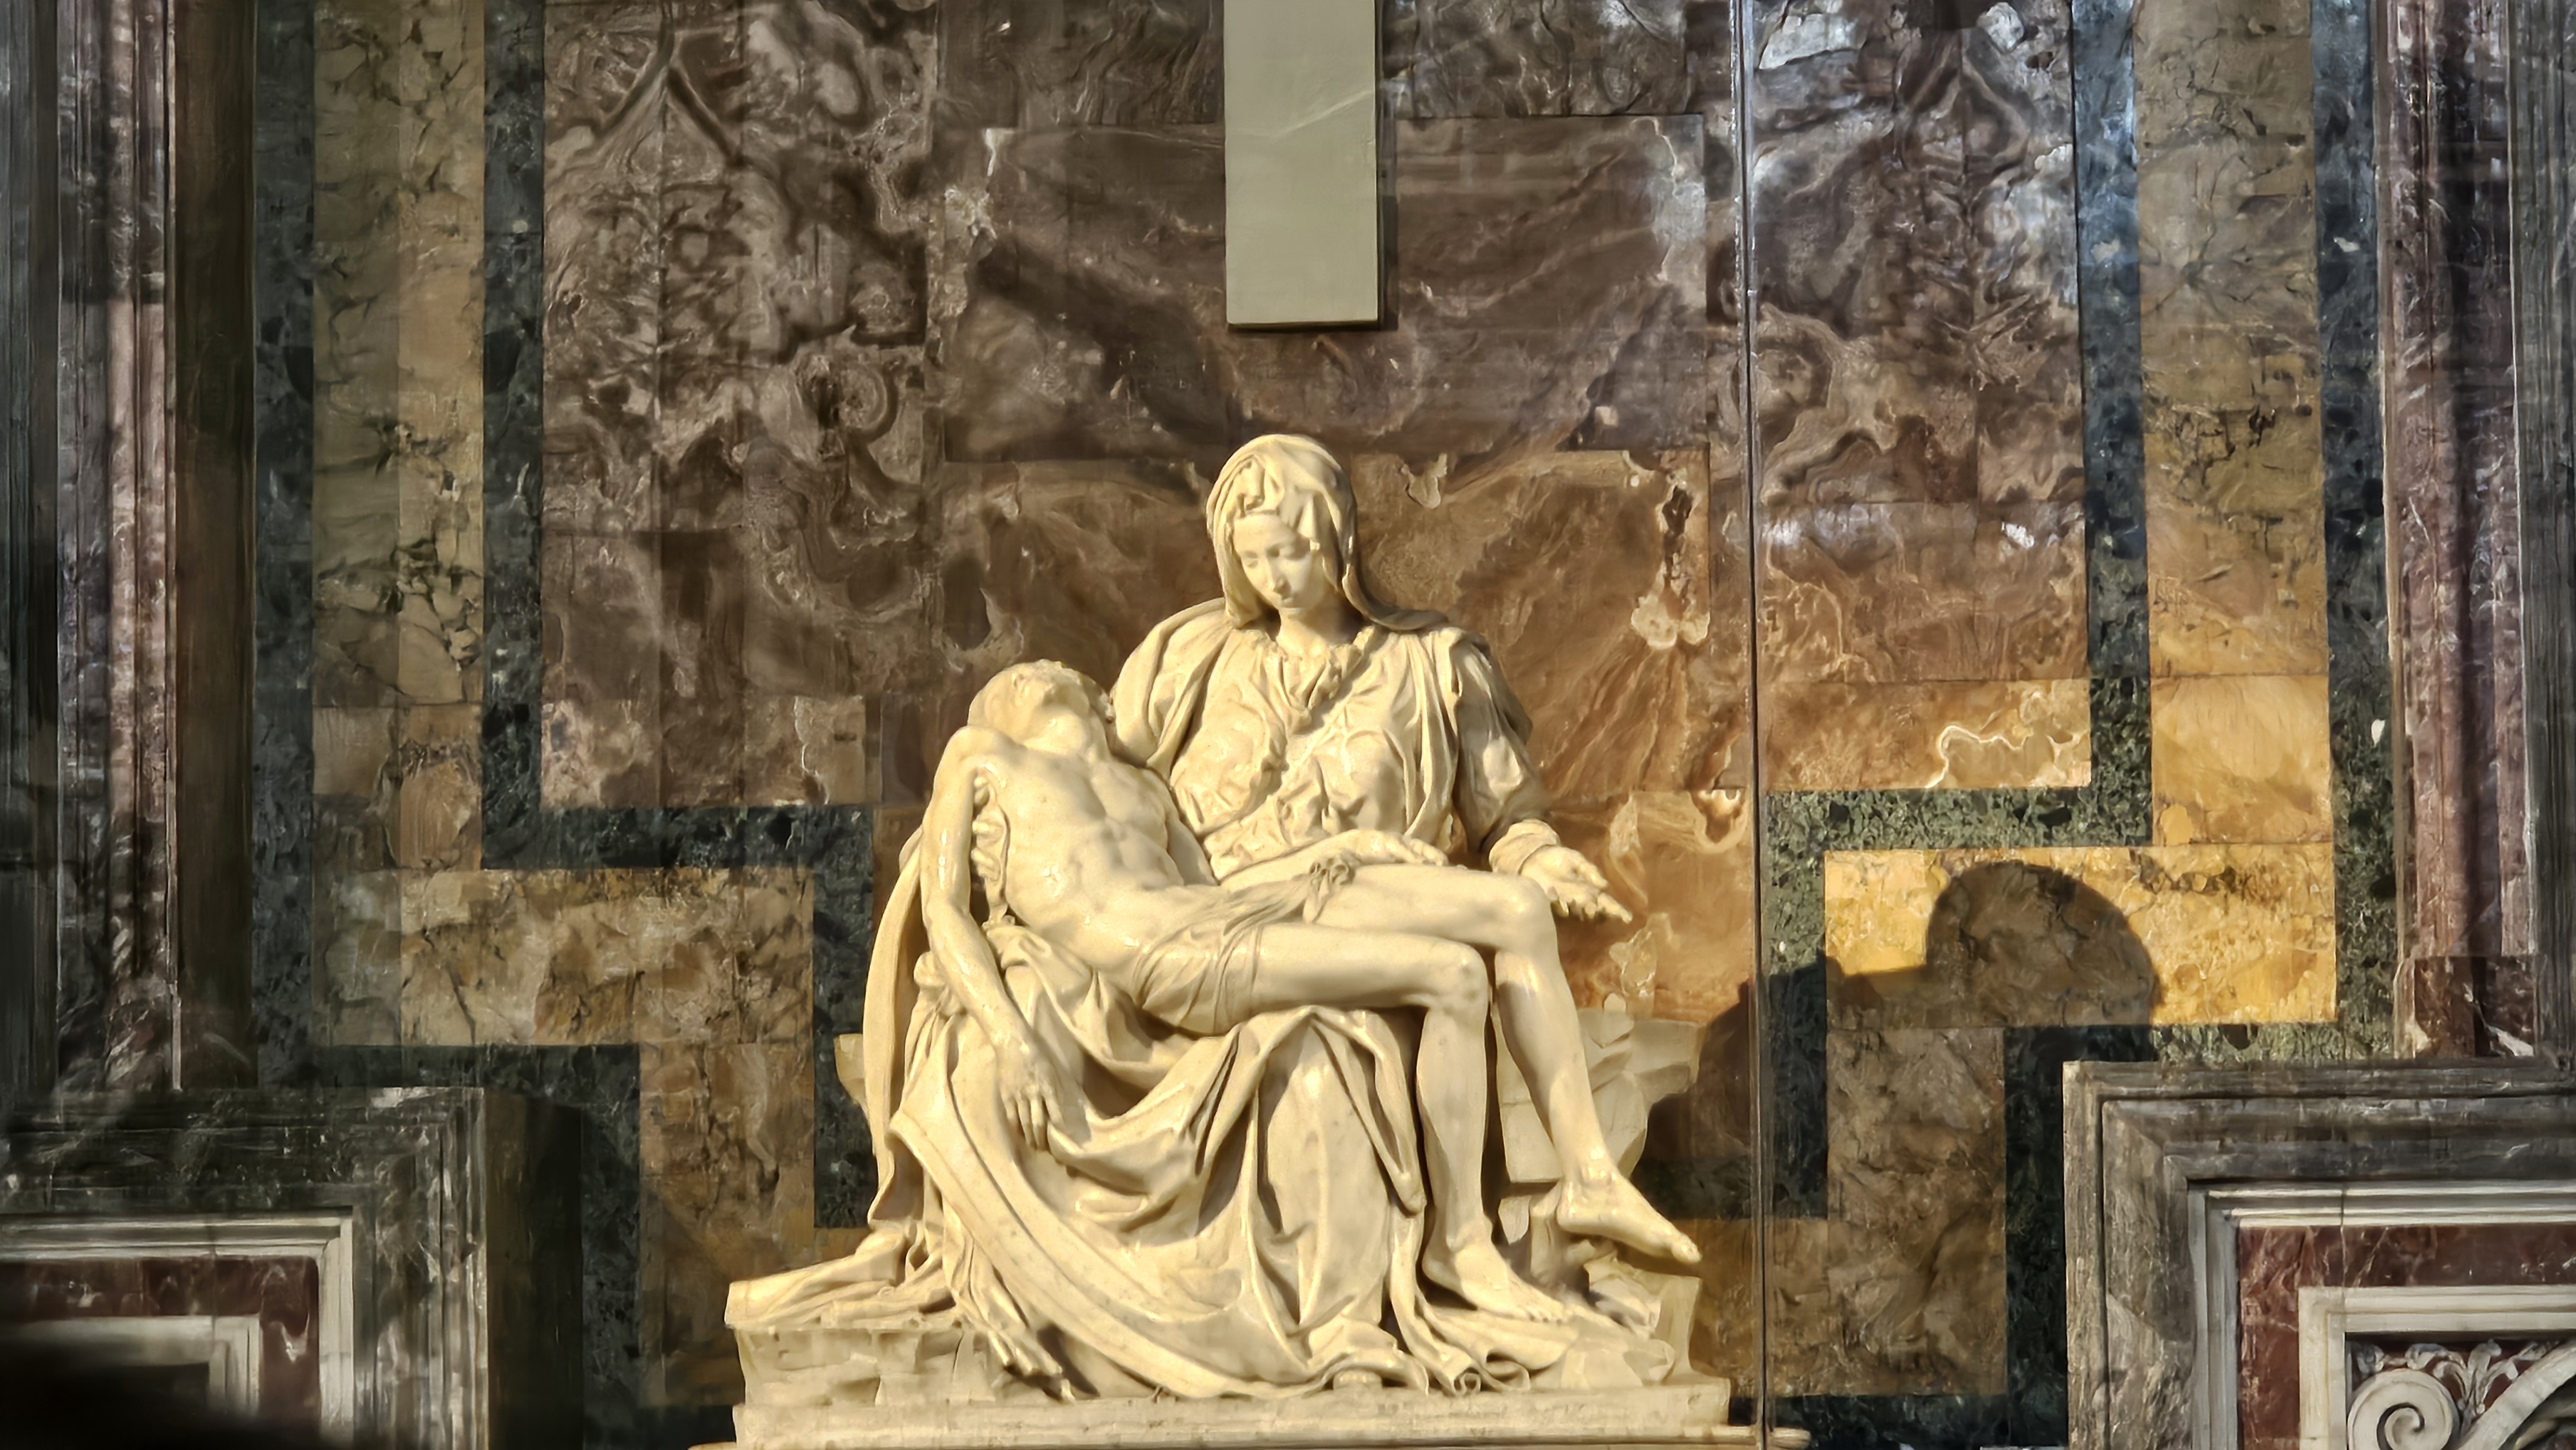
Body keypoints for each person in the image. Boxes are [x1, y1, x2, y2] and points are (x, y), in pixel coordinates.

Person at [1112, 435, 1694, 1265]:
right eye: (1253, 558)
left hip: (1346, 897)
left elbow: (1505, 815)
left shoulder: (1433, 663)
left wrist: (1536, 856)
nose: (1274, 577)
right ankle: (1568, 1188)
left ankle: (1588, 1178)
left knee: (1517, 902)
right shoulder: (1187, 658)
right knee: (1498, 918)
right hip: (1220, 910)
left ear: (1336, 538)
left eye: (1289, 552)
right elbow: (1089, 775)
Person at [921, 661, 1575, 1322]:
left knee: (1489, 932)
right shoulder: (982, 754)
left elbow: (1215, 889)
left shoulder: (1143, 788)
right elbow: (941, 908)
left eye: (1040, 664)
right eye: (1007, 680)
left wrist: (1353, 846)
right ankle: (1459, 1247)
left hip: (1214, 919)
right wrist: (1011, 1039)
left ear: (1100, 701)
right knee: (1453, 975)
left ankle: (1514, 1212)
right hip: (1167, 956)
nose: (1029, 672)